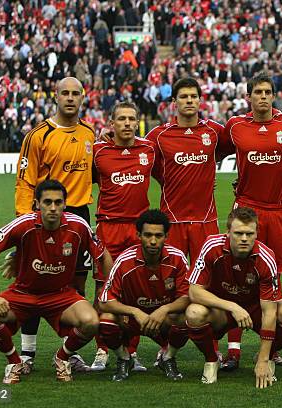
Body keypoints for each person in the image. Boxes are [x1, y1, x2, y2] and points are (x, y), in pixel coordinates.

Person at [0, 180, 112, 384]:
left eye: (58, 202)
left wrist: (107, 292)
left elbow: (104, 256)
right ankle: (14, 361)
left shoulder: (78, 225)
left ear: (65, 204)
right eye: (47, 202)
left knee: (91, 321)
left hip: (62, 295)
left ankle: (62, 358)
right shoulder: (24, 224)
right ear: (37, 203)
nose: (53, 208)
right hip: (23, 294)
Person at [11, 77, 96, 371]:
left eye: (76, 93)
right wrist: (25, 221)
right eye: (65, 93)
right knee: (35, 283)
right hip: (43, 217)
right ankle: (27, 354)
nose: (70, 98)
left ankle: (69, 351)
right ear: (55, 96)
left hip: (79, 216)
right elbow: (25, 181)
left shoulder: (89, 133)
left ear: (82, 97)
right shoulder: (38, 135)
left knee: (77, 284)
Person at [219, 72, 282, 369]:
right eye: (258, 92)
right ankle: (234, 350)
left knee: (272, 280)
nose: (263, 96)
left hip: (279, 210)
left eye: (268, 92)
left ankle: (272, 347)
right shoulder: (235, 126)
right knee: (236, 279)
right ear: (249, 97)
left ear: (273, 95)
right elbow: (218, 151)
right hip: (247, 209)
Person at [185, 207, 282, 388]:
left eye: (249, 233)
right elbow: (194, 291)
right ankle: (211, 360)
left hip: (255, 307)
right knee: (193, 313)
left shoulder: (266, 257)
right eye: (238, 233)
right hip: (222, 310)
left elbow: (269, 312)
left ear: (257, 234)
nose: (244, 238)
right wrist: (232, 306)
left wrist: (264, 359)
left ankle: (268, 356)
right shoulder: (211, 246)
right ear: (227, 233)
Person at [90, 101, 156, 371]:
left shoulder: (148, 150)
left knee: (133, 292)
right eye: (122, 119)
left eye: (132, 118)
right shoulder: (97, 151)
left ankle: (132, 351)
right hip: (108, 228)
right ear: (112, 123)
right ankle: (102, 349)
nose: (127, 123)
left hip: (137, 230)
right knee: (102, 290)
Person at [98, 209, 190, 382]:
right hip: (131, 320)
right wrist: (133, 311)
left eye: (158, 235)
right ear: (138, 235)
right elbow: (104, 301)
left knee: (188, 317)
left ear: (166, 236)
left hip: (163, 320)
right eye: (148, 235)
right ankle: (124, 359)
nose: (153, 241)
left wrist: (165, 309)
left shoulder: (177, 258)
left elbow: (187, 297)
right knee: (106, 319)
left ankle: (168, 357)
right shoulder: (125, 261)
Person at [146, 77, 224, 261]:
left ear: (200, 100)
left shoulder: (214, 131)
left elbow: (241, 149)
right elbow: (139, 158)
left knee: (207, 280)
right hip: (172, 221)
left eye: (193, 96)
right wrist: (166, 180)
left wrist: (208, 169)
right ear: (174, 102)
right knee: (170, 280)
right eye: (183, 96)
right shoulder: (158, 135)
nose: (189, 100)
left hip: (206, 221)